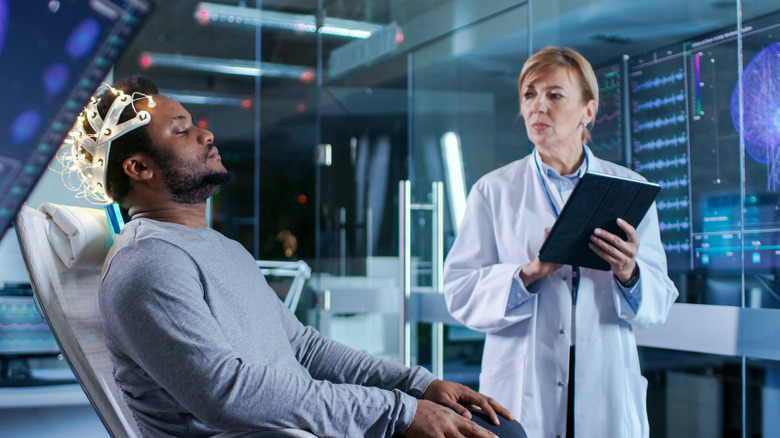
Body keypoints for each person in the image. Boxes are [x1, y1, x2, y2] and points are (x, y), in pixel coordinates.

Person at [62, 75, 525, 438]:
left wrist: (417, 385)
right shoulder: (146, 265)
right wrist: (399, 413)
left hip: (298, 428)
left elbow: (303, 347)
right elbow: (229, 394)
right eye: (181, 130)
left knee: (497, 427)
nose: (205, 134)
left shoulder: (223, 249)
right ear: (138, 168)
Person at [442, 47, 679, 438]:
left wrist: (628, 272)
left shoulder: (630, 190)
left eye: (554, 95)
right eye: (529, 94)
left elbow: (659, 302)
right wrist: (528, 273)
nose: (538, 107)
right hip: (521, 388)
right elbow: (460, 291)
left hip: (604, 385)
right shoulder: (493, 191)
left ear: (588, 110)